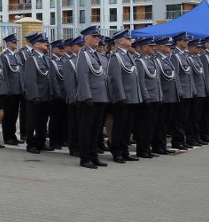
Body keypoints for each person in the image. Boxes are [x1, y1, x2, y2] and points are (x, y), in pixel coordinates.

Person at [75, 26, 109, 169]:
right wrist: (87, 96)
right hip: (89, 98)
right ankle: (85, 158)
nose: (97, 39)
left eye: (98, 37)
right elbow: (82, 77)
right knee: (86, 129)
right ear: (86, 39)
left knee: (96, 130)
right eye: (94, 37)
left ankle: (94, 155)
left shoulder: (96, 55)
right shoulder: (84, 55)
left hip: (100, 97)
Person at [107, 30, 141, 163]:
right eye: (128, 38)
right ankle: (117, 152)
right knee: (120, 126)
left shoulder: (129, 56)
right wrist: (121, 96)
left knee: (128, 127)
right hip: (123, 98)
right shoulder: (116, 57)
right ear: (121, 41)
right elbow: (115, 78)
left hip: (132, 97)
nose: (130, 40)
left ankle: (125, 150)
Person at [22, 32, 53, 154]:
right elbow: (31, 80)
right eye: (43, 42)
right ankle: (31, 144)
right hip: (36, 96)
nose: (46, 44)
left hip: (45, 95)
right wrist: (34, 95)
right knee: (32, 121)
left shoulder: (45, 58)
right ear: (36, 44)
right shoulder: (31, 59)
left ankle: (40, 142)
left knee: (43, 121)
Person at [133, 37, 162, 159]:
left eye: (154, 46)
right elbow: (141, 81)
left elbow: (157, 81)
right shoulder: (140, 61)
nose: (154, 48)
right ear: (144, 47)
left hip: (155, 97)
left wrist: (159, 95)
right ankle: (142, 149)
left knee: (151, 125)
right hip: (148, 98)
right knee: (143, 126)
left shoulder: (152, 60)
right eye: (151, 46)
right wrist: (146, 97)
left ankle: (147, 148)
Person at [152, 37, 179, 154]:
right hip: (163, 95)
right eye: (167, 46)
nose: (170, 48)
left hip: (170, 96)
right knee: (160, 122)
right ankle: (158, 145)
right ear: (161, 47)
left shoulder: (166, 59)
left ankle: (162, 144)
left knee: (165, 123)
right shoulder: (157, 59)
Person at [0, 33, 23, 145]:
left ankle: (13, 135)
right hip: (10, 91)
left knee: (14, 115)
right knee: (8, 115)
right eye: (14, 42)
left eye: (16, 42)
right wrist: (7, 89)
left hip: (18, 90)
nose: (16, 44)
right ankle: (7, 137)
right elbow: (4, 75)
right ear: (8, 43)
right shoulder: (4, 57)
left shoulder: (17, 56)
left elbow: (20, 73)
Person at [47, 40, 67, 150]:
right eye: (60, 48)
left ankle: (62, 139)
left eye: (63, 48)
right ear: (54, 49)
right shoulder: (51, 61)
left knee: (64, 119)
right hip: (56, 95)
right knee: (55, 119)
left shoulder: (65, 61)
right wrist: (58, 94)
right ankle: (54, 141)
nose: (62, 50)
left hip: (65, 94)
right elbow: (53, 79)